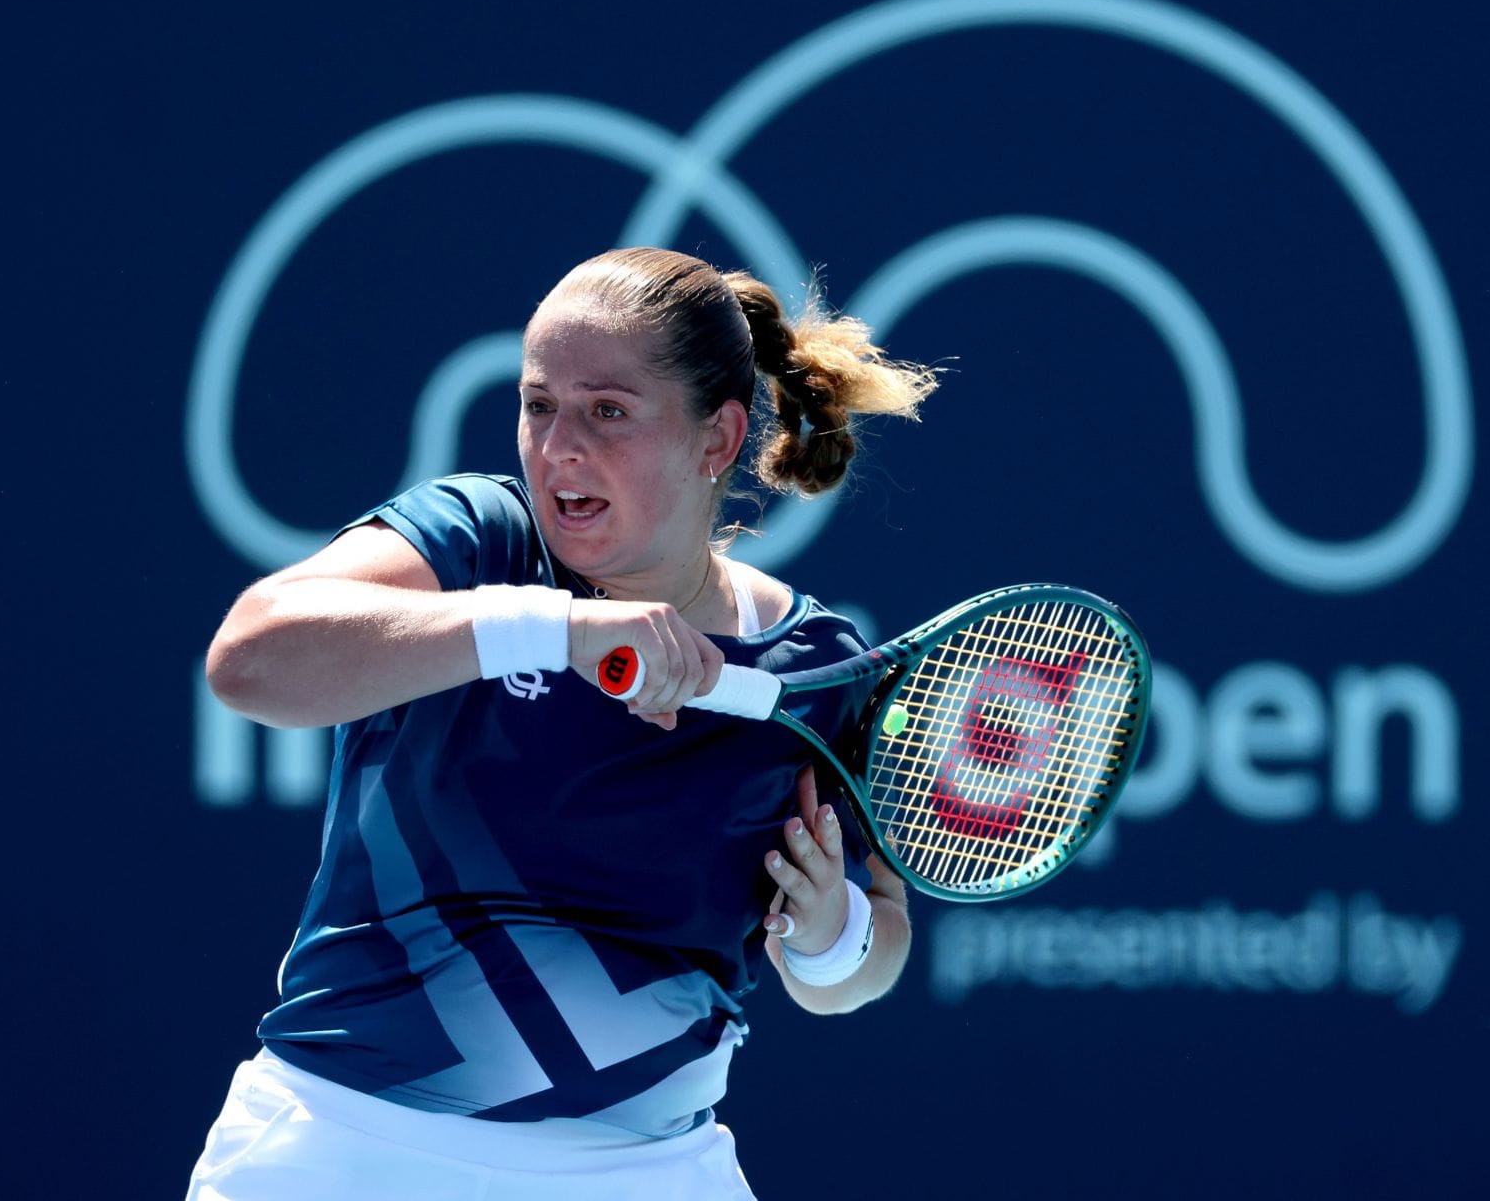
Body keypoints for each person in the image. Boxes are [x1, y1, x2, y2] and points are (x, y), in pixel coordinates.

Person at [186, 247, 938, 1200]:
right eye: (538, 405)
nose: (558, 448)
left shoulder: (816, 669)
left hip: (649, 1172)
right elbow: (250, 661)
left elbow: (868, 953)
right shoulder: (476, 542)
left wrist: (831, 933)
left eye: (608, 411)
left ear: (717, 438)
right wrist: (550, 629)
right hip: (344, 1149)